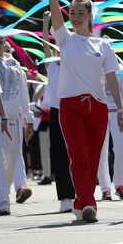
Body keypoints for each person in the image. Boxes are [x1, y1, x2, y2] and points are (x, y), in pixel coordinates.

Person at [45, 0, 123, 223]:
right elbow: (53, 7)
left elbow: (113, 79)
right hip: (70, 106)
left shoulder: (102, 45)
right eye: (73, 11)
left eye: (81, 12)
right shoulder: (65, 39)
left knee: (92, 159)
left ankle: (81, 202)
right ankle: (88, 202)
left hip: (98, 107)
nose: (75, 15)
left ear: (90, 16)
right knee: (78, 156)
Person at [0, 33, 33, 216]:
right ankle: (3, 199)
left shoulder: (14, 64)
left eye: (0, 42)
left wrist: (29, 117)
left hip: (14, 119)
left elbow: (22, 93)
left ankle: (5, 189)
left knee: (13, 158)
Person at [42, 12, 75, 213]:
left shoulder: (75, 64)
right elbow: (45, 43)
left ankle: (80, 192)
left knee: (77, 154)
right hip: (57, 113)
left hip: (74, 110)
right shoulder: (52, 65)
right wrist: (46, 24)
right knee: (60, 154)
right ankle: (65, 196)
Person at [97, 57, 123, 201]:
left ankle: (120, 185)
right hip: (100, 112)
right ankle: (105, 188)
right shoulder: (95, 67)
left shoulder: (120, 69)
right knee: (101, 151)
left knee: (120, 148)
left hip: (117, 113)